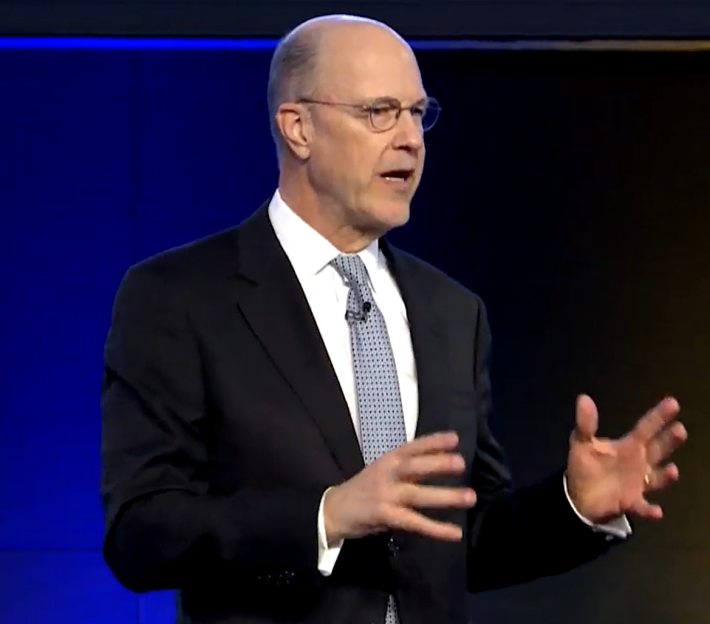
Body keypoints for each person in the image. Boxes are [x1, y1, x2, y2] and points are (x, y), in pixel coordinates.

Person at [99, 14, 687, 624]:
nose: (411, 139)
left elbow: (462, 540)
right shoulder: (181, 297)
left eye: (417, 113)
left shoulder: (451, 312)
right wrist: (326, 516)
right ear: (298, 128)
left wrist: (573, 506)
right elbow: (141, 533)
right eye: (380, 112)